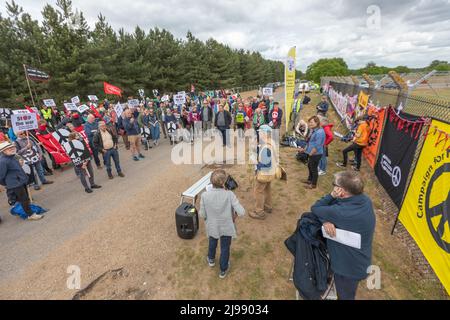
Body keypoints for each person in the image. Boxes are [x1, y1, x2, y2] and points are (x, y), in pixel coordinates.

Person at [311, 171, 376, 300]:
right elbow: (328, 211)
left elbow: (316, 208)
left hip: (348, 268)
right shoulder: (365, 200)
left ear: (342, 191)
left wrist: (331, 195)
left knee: (346, 296)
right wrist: (326, 220)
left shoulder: (341, 212)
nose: (333, 187)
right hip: (358, 260)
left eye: (334, 185)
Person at [199, 169, 245, 279]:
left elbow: (202, 214)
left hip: (212, 226)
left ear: (211, 182)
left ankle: (211, 259)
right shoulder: (230, 194)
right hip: (226, 227)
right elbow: (242, 212)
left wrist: (209, 217)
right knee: (225, 248)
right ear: (223, 183)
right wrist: (234, 217)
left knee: (212, 242)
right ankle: (223, 270)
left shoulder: (204, 195)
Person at [0, 141, 43, 220]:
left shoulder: (12, 156)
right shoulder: (2, 161)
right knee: (23, 199)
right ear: (3, 151)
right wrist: (8, 183)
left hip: (20, 181)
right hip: (15, 183)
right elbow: (1, 175)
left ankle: (27, 210)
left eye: (12, 147)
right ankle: (30, 215)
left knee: (25, 198)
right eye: (8, 148)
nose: (12, 149)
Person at [250, 125, 277, 220]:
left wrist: (256, 163)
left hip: (264, 173)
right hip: (271, 172)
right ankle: (268, 206)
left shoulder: (266, 146)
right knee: (267, 189)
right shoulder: (270, 142)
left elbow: (266, 164)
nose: (259, 133)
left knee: (258, 191)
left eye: (260, 132)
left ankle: (259, 212)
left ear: (265, 133)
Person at [299, 116, 325, 189]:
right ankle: (309, 180)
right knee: (310, 166)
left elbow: (318, 145)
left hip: (316, 154)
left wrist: (311, 153)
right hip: (311, 152)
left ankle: (313, 184)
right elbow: (310, 142)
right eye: (309, 122)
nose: (309, 124)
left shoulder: (320, 132)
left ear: (316, 123)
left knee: (313, 168)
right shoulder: (314, 130)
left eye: (311, 122)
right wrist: (305, 149)